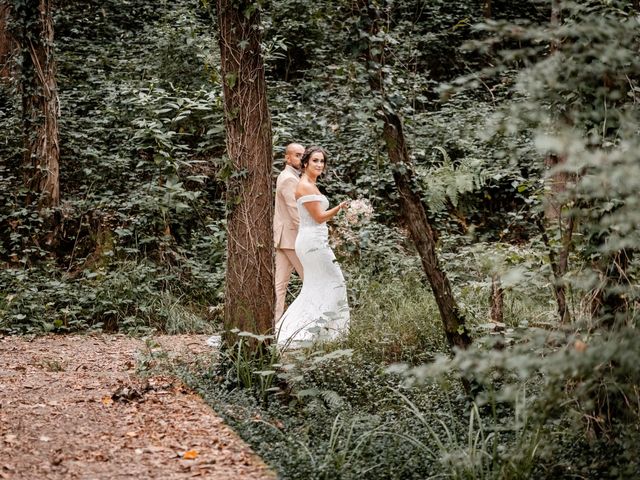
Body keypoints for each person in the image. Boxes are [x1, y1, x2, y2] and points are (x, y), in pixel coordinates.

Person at [275, 146, 350, 348]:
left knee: (317, 285)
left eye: (322, 161)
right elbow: (318, 217)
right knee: (336, 282)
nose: (319, 164)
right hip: (312, 243)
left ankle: (323, 330)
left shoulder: (310, 183)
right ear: (305, 163)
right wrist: (340, 208)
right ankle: (317, 330)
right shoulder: (305, 185)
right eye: (315, 160)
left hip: (314, 240)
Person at [274, 143, 306, 321]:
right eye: (297, 155)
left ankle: (276, 323)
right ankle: (304, 321)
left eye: (303, 155)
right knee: (309, 280)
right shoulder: (289, 179)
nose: (301, 159)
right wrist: (307, 236)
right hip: (292, 237)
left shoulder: (288, 176)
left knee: (280, 284)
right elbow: (294, 212)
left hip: (284, 238)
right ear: (287, 158)